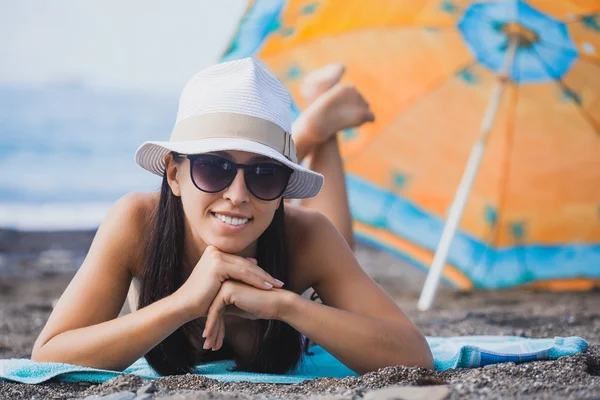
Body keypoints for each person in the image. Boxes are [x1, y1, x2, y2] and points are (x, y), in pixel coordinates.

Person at [31, 58, 433, 376]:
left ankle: (312, 129)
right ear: (174, 174)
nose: (238, 195)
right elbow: (49, 354)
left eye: (267, 173)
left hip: (300, 242)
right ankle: (312, 124)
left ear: (283, 189)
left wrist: (285, 306)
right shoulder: (138, 223)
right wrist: (184, 304)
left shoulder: (307, 236)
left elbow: (415, 357)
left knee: (331, 240)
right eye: (212, 168)